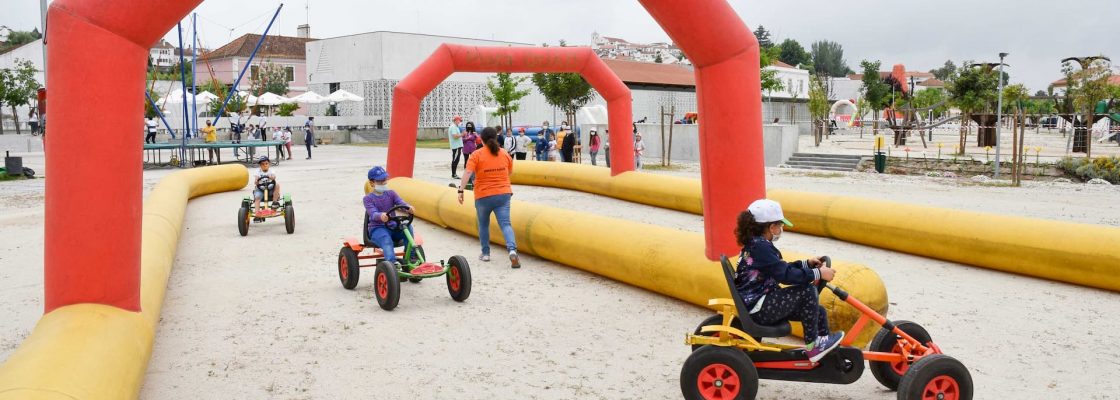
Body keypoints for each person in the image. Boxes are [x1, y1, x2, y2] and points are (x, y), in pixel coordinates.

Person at [734, 199, 844, 363]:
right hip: (759, 308)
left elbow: (779, 268)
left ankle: (825, 351)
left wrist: (808, 264)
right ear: (771, 227)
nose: (781, 229)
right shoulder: (761, 247)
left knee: (818, 311)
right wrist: (817, 273)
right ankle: (813, 347)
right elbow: (785, 276)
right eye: (780, 225)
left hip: (762, 303)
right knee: (807, 290)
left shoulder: (757, 244)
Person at [457, 127, 520, 268]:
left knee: (483, 224)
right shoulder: (504, 154)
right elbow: (509, 172)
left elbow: (468, 172)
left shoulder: (476, 154)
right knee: (505, 224)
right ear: (496, 138)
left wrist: (460, 190)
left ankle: (486, 254)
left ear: (481, 139)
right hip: (503, 194)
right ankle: (512, 251)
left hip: (483, 195)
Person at [363, 166, 418, 264]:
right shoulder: (368, 199)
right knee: (386, 239)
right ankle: (392, 264)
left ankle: (411, 257)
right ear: (372, 183)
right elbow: (372, 213)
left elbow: (400, 203)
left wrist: (408, 208)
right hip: (377, 229)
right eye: (380, 181)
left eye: (385, 180)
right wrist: (380, 216)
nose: (383, 183)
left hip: (393, 227)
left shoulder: (391, 194)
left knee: (408, 228)